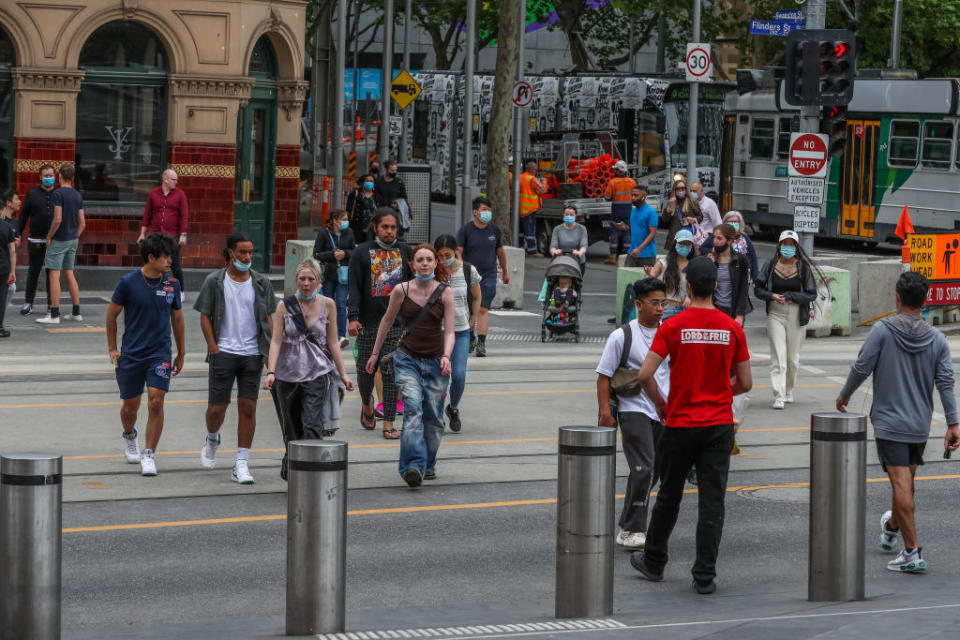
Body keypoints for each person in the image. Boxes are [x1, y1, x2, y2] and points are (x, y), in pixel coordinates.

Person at [630, 257, 752, 594]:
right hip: (717, 426)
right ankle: (704, 576)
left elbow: (643, 376)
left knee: (669, 495)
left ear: (687, 287)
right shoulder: (732, 328)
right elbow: (745, 382)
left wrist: (661, 404)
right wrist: (720, 392)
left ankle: (654, 562)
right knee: (712, 501)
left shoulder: (672, 326)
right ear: (715, 286)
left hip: (680, 423)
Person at [837, 272, 959, 574]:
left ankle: (912, 552)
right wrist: (953, 423)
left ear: (897, 296)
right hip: (919, 424)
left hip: (890, 424)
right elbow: (945, 383)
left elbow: (861, 367)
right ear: (926, 300)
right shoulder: (937, 339)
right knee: (905, 482)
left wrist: (844, 395)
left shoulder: (882, 331)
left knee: (901, 483)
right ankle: (892, 528)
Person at [366, 244, 455, 487]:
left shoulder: (446, 292)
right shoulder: (400, 290)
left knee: (434, 419)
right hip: (407, 359)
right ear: (412, 264)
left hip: (437, 362)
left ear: (436, 263)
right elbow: (386, 322)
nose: (425, 264)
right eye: (420, 260)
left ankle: (428, 464)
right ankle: (413, 466)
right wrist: (375, 354)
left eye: (429, 260)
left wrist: (447, 355)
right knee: (413, 409)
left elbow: (450, 330)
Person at [194, 232, 277, 484]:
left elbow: (270, 319)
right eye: (242, 252)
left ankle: (241, 462)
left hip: (252, 353)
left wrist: (270, 356)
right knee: (216, 408)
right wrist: (213, 347)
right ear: (230, 253)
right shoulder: (214, 281)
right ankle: (212, 437)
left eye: (251, 252)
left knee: (248, 407)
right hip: (224, 352)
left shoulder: (262, 283)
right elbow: (205, 315)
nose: (247, 257)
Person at [597, 278, 671, 549]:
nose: (661, 308)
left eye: (664, 303)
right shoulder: (621, 336)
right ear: (639, 304)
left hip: (663, 412)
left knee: (654, 472)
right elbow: (604, 377)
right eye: (655, 303)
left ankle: (628, 523)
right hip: (633, 409)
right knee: (643, 468)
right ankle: (632, 529)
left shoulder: (670, 332)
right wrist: (606, 414)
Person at [265, 259, 355, 480]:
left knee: (312, 425)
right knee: (292, 428)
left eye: (310, 279)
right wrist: (271, 372)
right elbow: (276, 341)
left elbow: (333, 342)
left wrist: (343, 374)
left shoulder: (329, 304)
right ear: (296, 280)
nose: (306, 283)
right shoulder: (284, 305)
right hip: (287, 375)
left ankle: (311, 476)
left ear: (318, 282)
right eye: (302, 279)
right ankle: (292, 463)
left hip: (317, 372)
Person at [105, 233, 186, 476]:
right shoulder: (128, 283)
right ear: (151, 257)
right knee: (130, 407)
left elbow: (178, 319)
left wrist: (181, 352)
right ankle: (130, 435)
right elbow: (111, 316)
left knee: (156, 400)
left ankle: (149, 454)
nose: (170, 261)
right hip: (131, 354)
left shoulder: (172, 284)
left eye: (171, 256)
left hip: (159, 353)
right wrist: (112, 348)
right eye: (165, 256)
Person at [348, 207, 412, 438]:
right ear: (375, 227)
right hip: (367, 323)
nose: (389, 231)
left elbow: (414, 287)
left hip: (396, 325)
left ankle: (388, 423)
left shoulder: (405, 251)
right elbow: (354, 288)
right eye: (385, 227)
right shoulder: (362, 252)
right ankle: (367, 403)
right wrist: (353, 317)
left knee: (390, 370)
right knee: (365, 372)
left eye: (393, 227)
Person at [753, 230, 819, 409]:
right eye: (785, 243)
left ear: (796, 247)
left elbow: (811, 294)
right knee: (778, 357)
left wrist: (793, 296)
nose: (788, 247)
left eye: (791, 244)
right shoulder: (771, 264)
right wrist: (772, 295)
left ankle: (789, 390)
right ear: (779, 245)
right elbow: (758, 288)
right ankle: (779, 395)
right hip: (775, 313)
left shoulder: (803, 267)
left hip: (796, 314)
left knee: (792, 359)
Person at [434, 234, 481, 433]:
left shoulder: (468, 270)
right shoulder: (434, 272)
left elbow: (478, 297)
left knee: (459, 375)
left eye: (448, 255)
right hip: (439, 332)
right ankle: (436, 414)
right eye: (440, 256)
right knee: (440, 377)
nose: (444, 259)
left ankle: (452, 408)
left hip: (461, 330)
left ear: (456, 252)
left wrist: (472, 322)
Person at [457, 196, 509, 357]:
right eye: (484, 209)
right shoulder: (466, 230)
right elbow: (458, 251)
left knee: (483, 308)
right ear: (475, 212)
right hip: (469, 276)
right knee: (470, 309)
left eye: (489, 210)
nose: (487, 213)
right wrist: (459, 269)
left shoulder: (495, 230)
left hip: (489, 275)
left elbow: (500, 252)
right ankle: (470, 338)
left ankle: (481, 343)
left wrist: (505, 272)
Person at [38, 163, 85, 325]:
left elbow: (57, 219)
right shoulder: (77, 195)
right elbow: (82, 223)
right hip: (73, 239)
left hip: (59, 239)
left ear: (59, 176)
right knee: (69, 274)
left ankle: (54, 314)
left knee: (54, 276)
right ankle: (76, 312)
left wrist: (49, 236)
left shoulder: (58, 194)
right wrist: (75, 236)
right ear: (72, 178)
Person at [138, 169, 188, 298]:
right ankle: (150, 288)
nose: (176, 182)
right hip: (155, 234)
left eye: (177, 179)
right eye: (173, 179)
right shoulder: (153, 193)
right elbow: (147, 214)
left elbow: (184, 216)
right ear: (165, 179)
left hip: (172, 236)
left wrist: (183, 235)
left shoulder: (180, 194)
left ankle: (180, 291)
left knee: (174, 264)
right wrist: (142, 233)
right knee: (152, 262)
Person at [16, 164, 55, 316]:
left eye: (50, 175)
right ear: (40, 177)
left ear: (55, 176)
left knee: (51, 273)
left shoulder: (59, 194)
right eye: (45, 175)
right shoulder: (32, 194)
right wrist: (17, 233)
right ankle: (28, 302)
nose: (48, 178)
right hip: (35, 240)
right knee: (33, 271)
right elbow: (23, 215)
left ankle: (52, 305)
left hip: (54, 241)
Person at [313, 208, 356, 348]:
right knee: (328, 304)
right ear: (335, 221)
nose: (346, 222)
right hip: (329, 274)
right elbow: (316, 254)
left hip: (344, 274)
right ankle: (328, 334)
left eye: (346, 219)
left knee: (341, 303)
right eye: (343, 219)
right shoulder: (324, 233)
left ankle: (342, 336)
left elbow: (354, 251)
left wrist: (345, 254)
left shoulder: (349, 232)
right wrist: (332, 255)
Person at [644, 229, 694, 320]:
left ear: (692, 247)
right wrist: (649, 275)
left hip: (685, 310)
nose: (684, 247)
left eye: (688, 244)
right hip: (666, 308)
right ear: (675, 244)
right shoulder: (663, 263)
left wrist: (690, 296)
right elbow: (649, 282)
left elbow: (697, 287)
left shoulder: (694, 265)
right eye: (681, 243)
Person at [707, 223, 750, 325]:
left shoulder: (741, 260)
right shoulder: (709, 258)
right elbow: (703, 286)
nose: (715, 241)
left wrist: (740, 315)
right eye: (714, 238)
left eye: (719, 238)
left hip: (732, 311)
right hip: (714, 310)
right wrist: (710, 265)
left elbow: (743, 289)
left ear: (729, 241)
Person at [699, 211, 759, 282]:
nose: (733, 224)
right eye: (730, 222)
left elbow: (753, 258)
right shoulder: (717, 236)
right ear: (725, 223)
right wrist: (714, 253)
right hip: (723, 273)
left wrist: (755, 278)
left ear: (740, 224)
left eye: (736, 222)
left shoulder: (745, 238)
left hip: (742, 274)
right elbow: (702, 248)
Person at [603, 160, 637, 264]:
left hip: (617, 210)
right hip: (628, 210)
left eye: (615, 169)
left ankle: (612, 256)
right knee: (626, 231)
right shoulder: (632, 182)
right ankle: (625, 255)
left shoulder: (613, 182)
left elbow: (607, 197)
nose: (614, 171)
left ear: (618, 171)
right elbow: (636, 196)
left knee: (614, 232)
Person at [661, 178, 701, 250]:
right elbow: (664, 220)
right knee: (673, 260)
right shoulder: (671, 202)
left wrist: (694, 219)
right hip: (674, 237)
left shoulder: (692, 202)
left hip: (689, 236)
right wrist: (668, 210)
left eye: (683, 188)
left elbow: (701, 217)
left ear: (686, 189)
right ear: (674, 190)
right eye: (678, 189)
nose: (680, 191)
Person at [548, 205, 588, 272]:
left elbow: (584, 245)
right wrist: (555, 251)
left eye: (571, 214)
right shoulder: (557, 229)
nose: (569, 216)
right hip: (560, 261)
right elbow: (553, 246)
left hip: (577, 262)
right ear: (563, 215)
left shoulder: (582, 229)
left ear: (576, 216)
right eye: (567, 214)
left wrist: (579, 253)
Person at [626, 185, 658, 268]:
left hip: (646, 256)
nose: (633, 198)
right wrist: (624, 227)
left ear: (644, 197)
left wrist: (639, 249)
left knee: (646, 281)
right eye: (632, 195)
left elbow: (652, 233)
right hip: (632, 253)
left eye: (636, 195)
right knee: (628, 279)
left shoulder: (651, 212)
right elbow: (635, 229)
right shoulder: (633, 211)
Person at [0, 189, 18, 337]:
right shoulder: (7, 227)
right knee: (2, 296)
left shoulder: (12, 224)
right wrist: (12, 271)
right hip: (4, 267)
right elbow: (13, 251)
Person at [518, 162, 545, 257]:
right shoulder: (532, 179)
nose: (536, 171)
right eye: (536, 169)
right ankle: (532, 251)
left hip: (520, 209)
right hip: (529, 209)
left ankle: (520, 250)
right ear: (532, 169)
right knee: (530, 232)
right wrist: (544, 183)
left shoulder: (520, 177)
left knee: (520, 232)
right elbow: (542, 190)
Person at [346, 175, 377, 239]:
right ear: (362, 183)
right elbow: (348, 210)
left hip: (372, 228)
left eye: (371, 181)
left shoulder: (377, 196)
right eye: (367, 181)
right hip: (356, 226)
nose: (369, 183)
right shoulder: (355, 194)